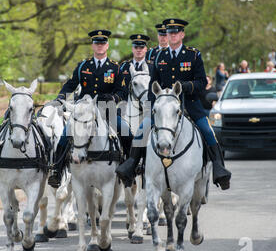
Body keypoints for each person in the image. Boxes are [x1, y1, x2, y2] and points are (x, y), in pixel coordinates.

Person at [116, 18, 231, 191]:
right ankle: (131, 165)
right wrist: (151, 108)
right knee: (141, 130)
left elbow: (201, 82)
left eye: (176, 32)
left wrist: (185, 87)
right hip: (163, 107)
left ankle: (218, 168)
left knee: (207, 130)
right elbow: (152, 84)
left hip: (189, 105)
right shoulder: (159, 56)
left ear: (182, 34)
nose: (172, 35)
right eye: (170, 32)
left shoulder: (193, 55)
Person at [47, 29, 132, 187]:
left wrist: (114, 97)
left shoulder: (115, 68)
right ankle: (56, 172)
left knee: (126, 131)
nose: (99, 46)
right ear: (93, 46)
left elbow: (123, 91)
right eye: (96, 43)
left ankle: (129, 169)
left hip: (107, 110)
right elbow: (70, 85)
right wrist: (60, 98)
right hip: (83, 111)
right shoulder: (83, 66)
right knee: (65, 135)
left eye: (102, 43)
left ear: (107, 45)